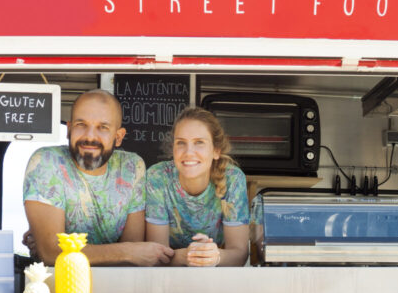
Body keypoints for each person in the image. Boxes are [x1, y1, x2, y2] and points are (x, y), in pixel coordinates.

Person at [22, 89, 174, 266]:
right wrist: (126, 251)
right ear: (69, 129)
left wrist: (129, 252)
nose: (90, 136)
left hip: (117, 285)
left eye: (103, 127)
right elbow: (51, 252)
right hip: (59, 286)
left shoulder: (132, 168)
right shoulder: (46, 162)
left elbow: (132, 259)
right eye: (81, 124)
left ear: (118, 137)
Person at [145, 107, 250, 267]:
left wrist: (214, 256)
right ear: (172, 148)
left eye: (199, 143)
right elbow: (156, 255)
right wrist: (189, 255)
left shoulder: (232, 179)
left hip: (217, 274)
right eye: (181, 143)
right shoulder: (158, 177)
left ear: (216, 151)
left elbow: (239, 254)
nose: (189, 152)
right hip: (168, 277)